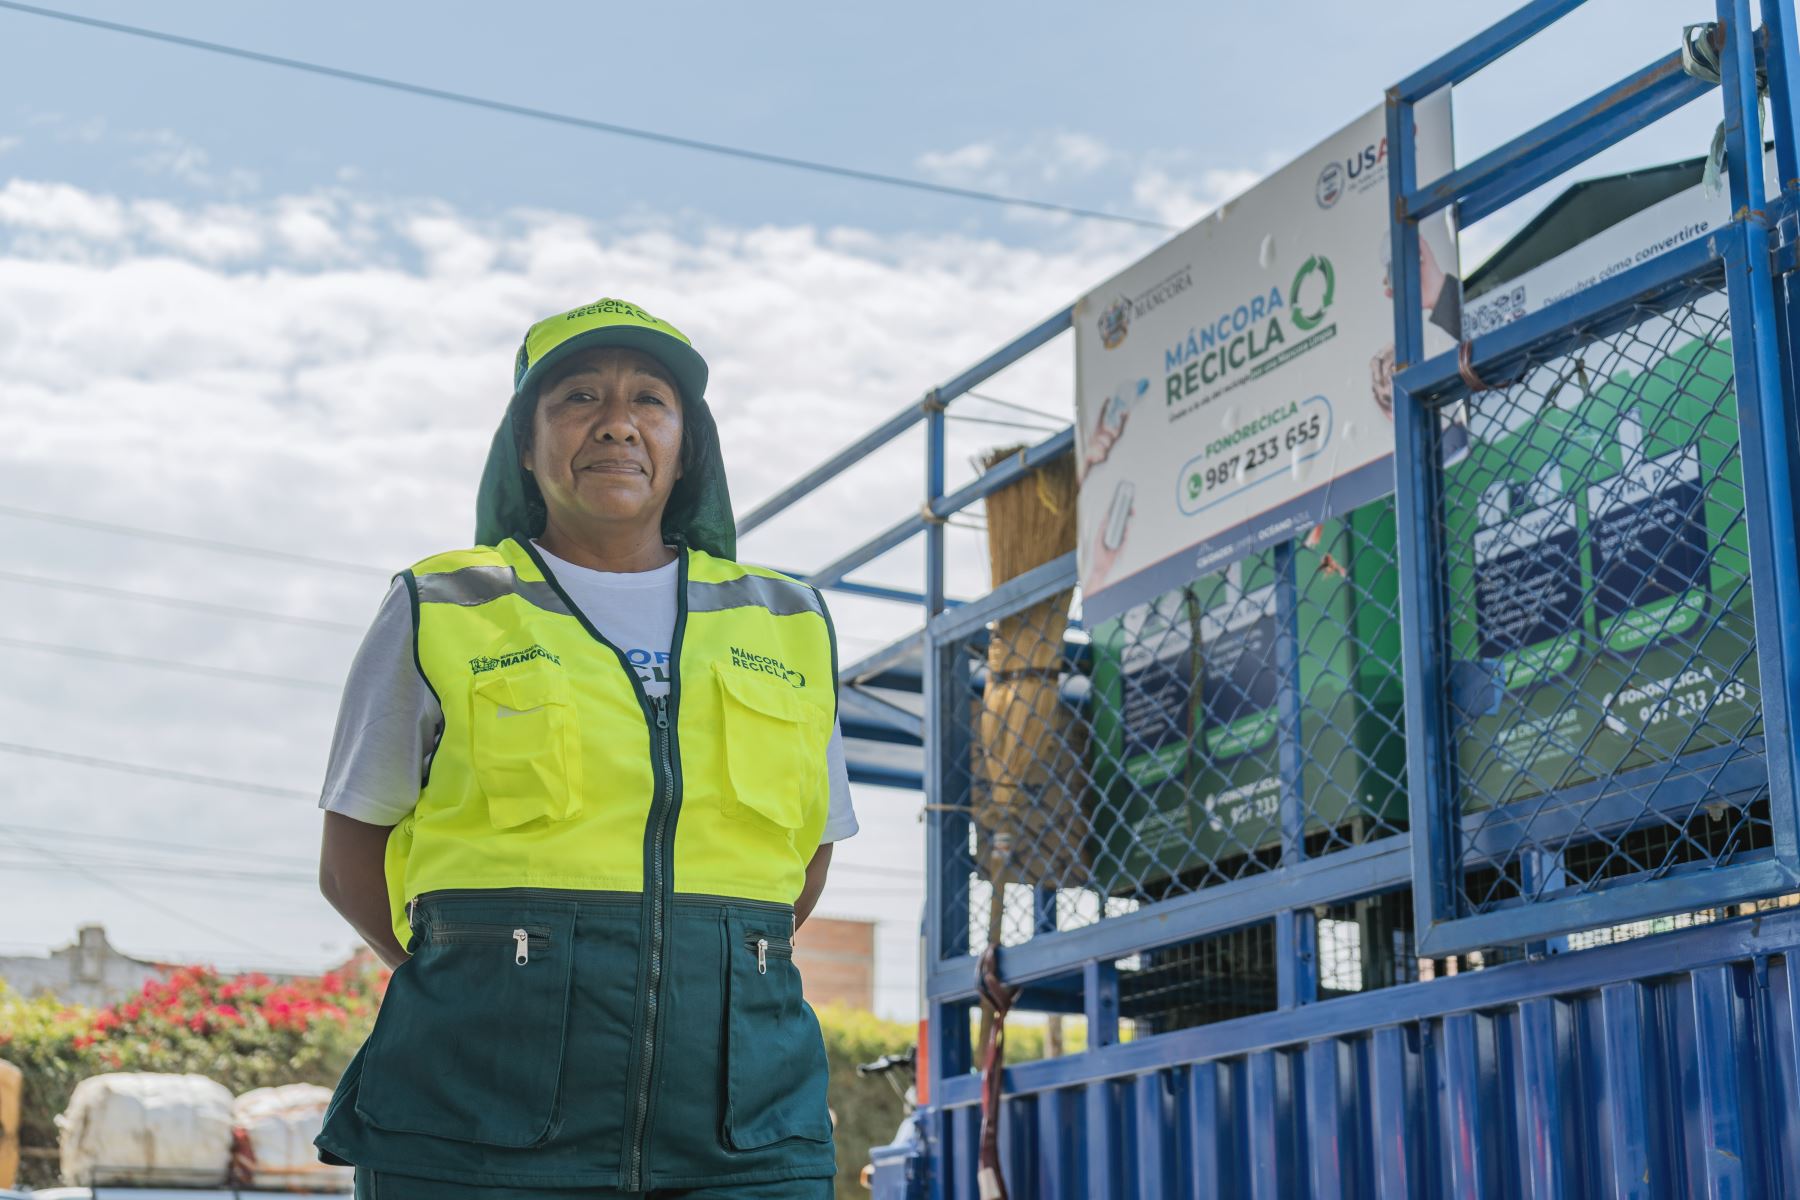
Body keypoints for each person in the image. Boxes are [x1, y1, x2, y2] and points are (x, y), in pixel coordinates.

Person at [311, 298, 857, 1199]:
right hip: (469, 1126)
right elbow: (348, 858)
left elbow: (808, 856)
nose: (617, 423)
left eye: (651, 399)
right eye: (576, 398)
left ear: (687, 448)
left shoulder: (788, 619)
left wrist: (707, 970)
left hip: (743, 1135)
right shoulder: (441, 604)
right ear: (524, 446)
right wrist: (479, 975)